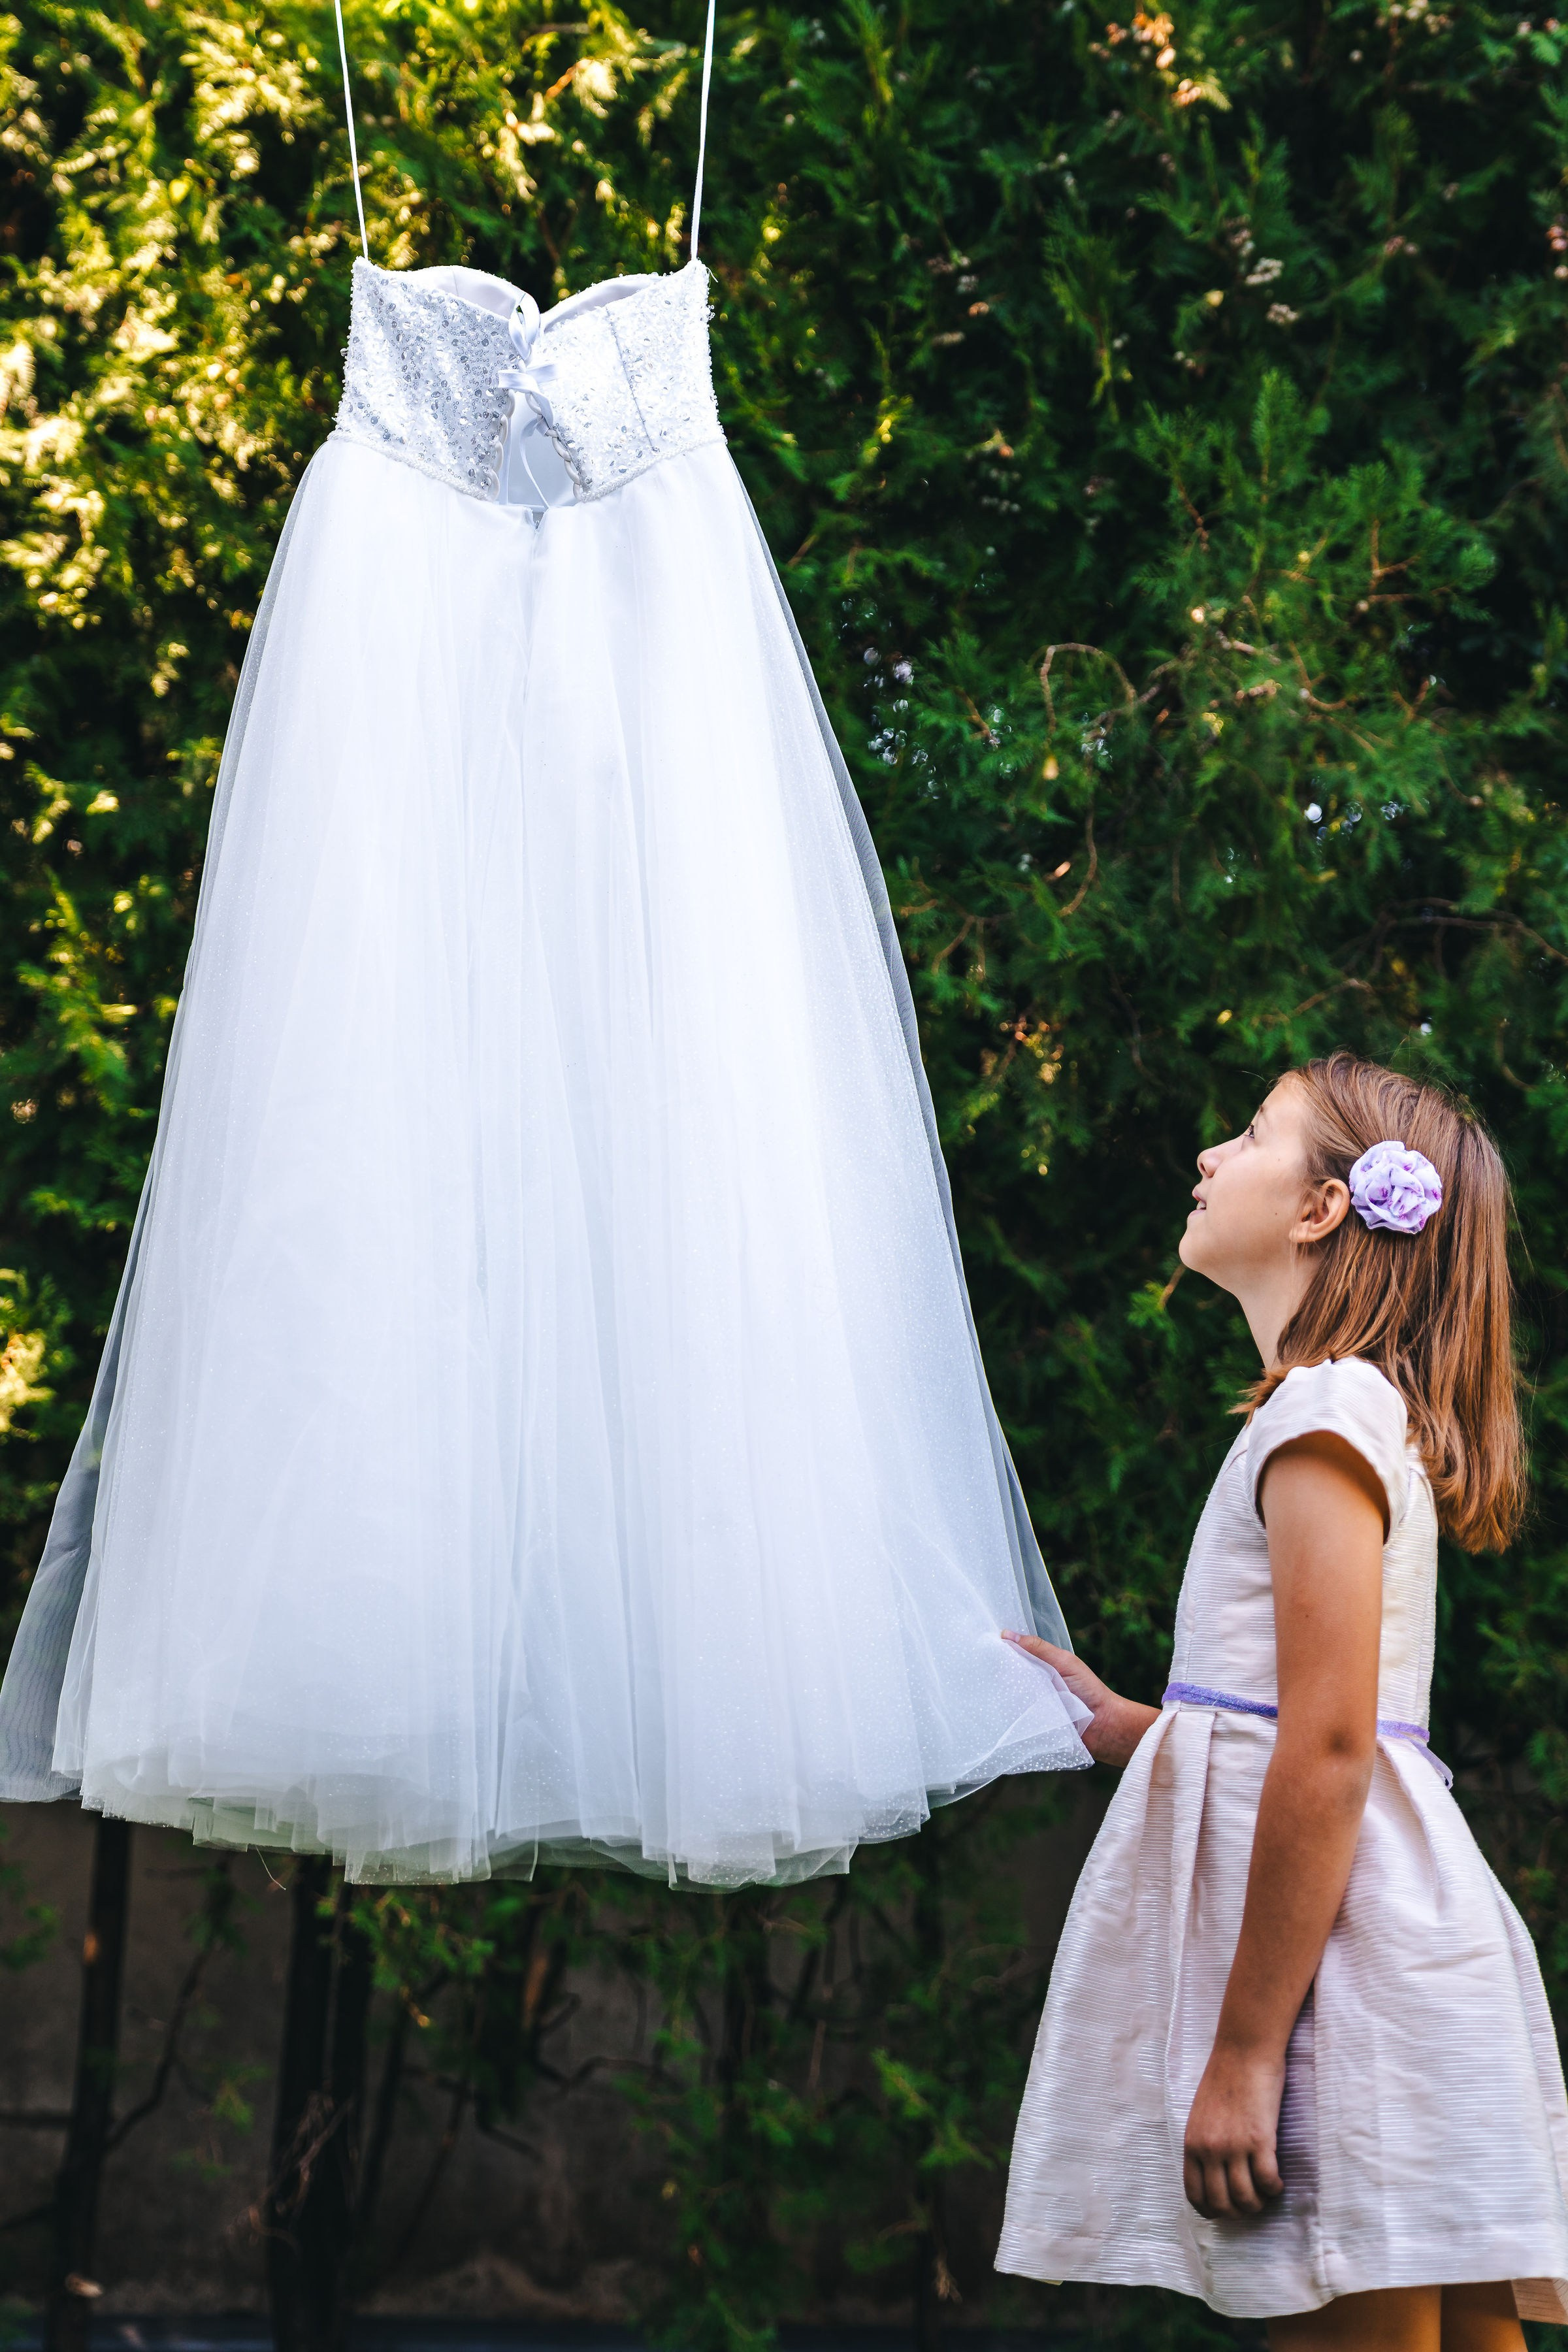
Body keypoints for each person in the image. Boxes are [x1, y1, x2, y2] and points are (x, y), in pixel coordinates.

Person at [996, 1051, 1568, 2348]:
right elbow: (1280, 1729)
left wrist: (1248, 2057)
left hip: (1342, 2003)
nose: (1209, 1156)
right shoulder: (1345, 1414)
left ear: (1321, 1210)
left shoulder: (1322, 1416)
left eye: (1250, 1135)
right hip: (1399, 1976)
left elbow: (1327, 1745)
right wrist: (1128, 1728)